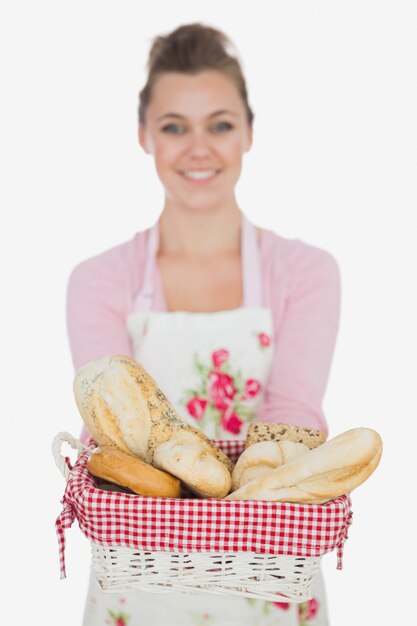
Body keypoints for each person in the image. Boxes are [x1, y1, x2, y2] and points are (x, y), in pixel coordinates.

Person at [67, 22, 340, 626]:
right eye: (173, 127)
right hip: (135, 587)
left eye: (219, 124)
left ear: (248, 132)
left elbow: (294, 420)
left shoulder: (304, 273)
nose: (199, 149)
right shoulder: (99, 282)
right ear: (144, 136)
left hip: (271, 581)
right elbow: (109, 441)